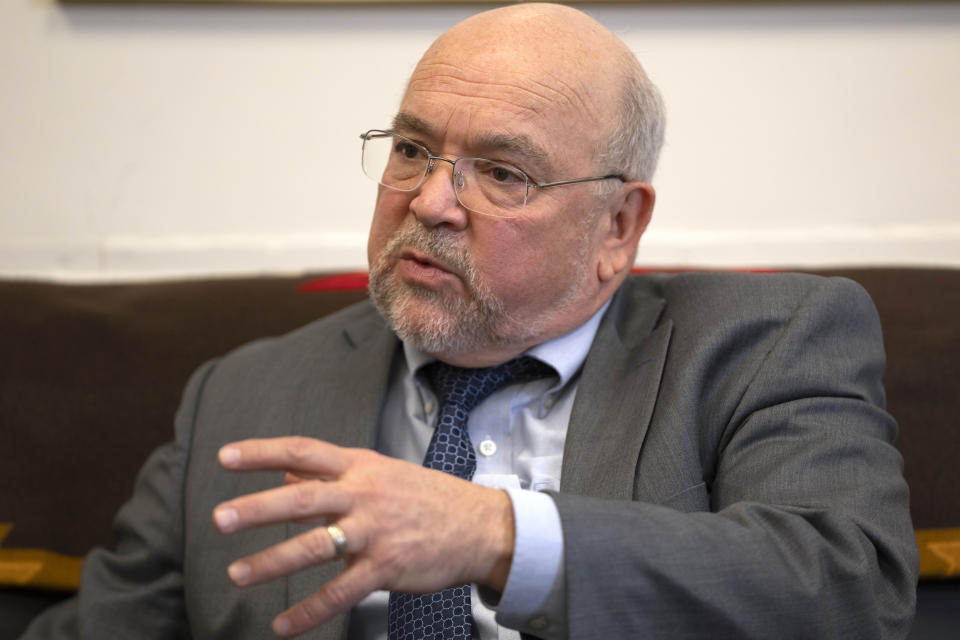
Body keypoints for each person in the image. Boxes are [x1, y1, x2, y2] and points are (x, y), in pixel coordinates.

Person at [22, 3, 917, 639]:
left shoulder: (766, 340)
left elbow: (846, 594)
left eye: (502, 172)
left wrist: (493, 535)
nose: (432, 202)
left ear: (617, 227)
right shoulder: (243, 391)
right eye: (413, 149)